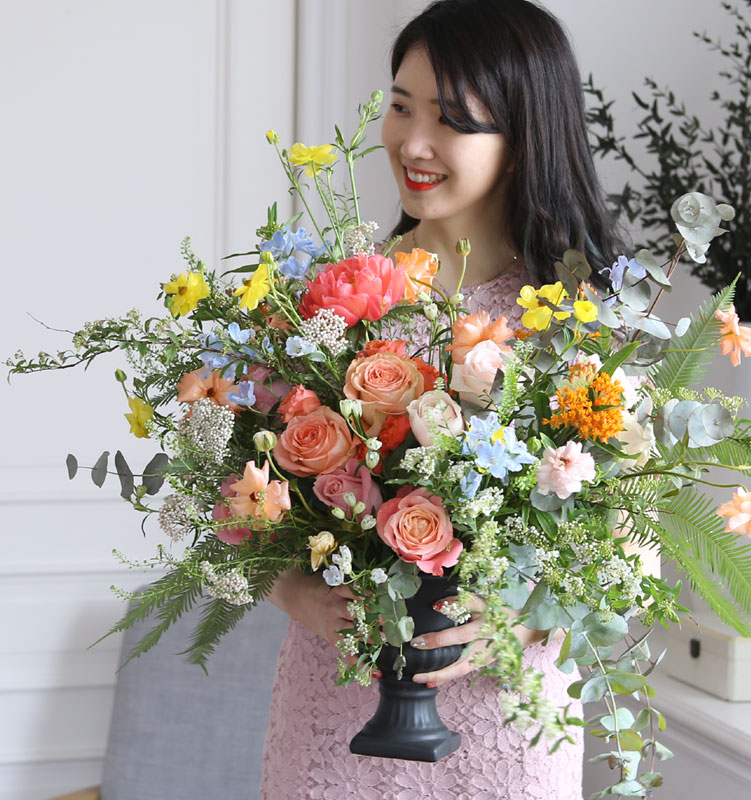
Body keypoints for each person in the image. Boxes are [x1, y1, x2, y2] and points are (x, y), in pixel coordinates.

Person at [261, 1, 638, 797]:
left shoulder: (577, 321)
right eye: (402, 107)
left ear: (522, 137)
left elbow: (633, 542)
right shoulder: (331, 296)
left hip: (506, 722)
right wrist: (298, 594)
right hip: (337, 714)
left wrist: (524, 618)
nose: (413, 143)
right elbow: (234, 499)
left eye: (452, 120)